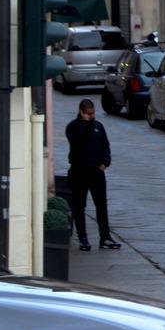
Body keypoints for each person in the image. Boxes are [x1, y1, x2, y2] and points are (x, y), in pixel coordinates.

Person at [66, 99, 121, 252]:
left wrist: (105, 162)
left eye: (93, 113)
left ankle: (105, 236)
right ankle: (83, 238)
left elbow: (105, 145)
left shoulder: (98, 127)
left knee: (101, 206)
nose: (91, 116)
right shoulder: (73, 127)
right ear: (81, 112)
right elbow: (76, 143)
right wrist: (86, 125)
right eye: (88, 114)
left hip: (96, 172)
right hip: (79, 171)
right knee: (79, 206)